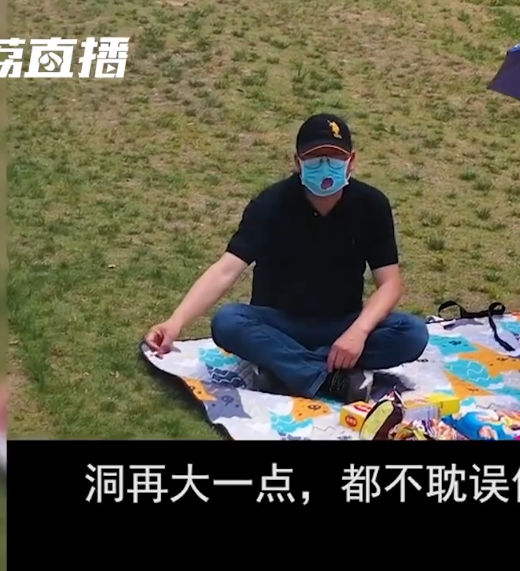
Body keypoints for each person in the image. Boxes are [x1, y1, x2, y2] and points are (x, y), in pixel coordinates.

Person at [144, 113, 429, 404]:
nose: (325, 166)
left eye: (334, 157)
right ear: (297, 162)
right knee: (228, 322)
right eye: (315, 158)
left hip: (341, 324)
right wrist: (175, 322)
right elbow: (226, 270)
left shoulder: (372, 205)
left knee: (413, 333)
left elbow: (390, 284)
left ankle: (284, 369)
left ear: (351, 161)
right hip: (278, 324)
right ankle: (330, 378)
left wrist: (358, 331)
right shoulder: (270, 204)